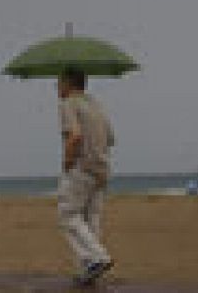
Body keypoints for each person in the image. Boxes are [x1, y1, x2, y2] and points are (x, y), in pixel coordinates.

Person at [56, 66, 115, 286]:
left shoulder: (69, 103)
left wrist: (67, 160)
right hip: (102, 169)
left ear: (70, 83)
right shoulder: (96, 104)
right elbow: (110, 138)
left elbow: (75, 136)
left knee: (67, 215)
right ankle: (88, 270)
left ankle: (97, 258)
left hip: (82, 168)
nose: (57, 87)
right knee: (91, 220)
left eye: (59, 82)